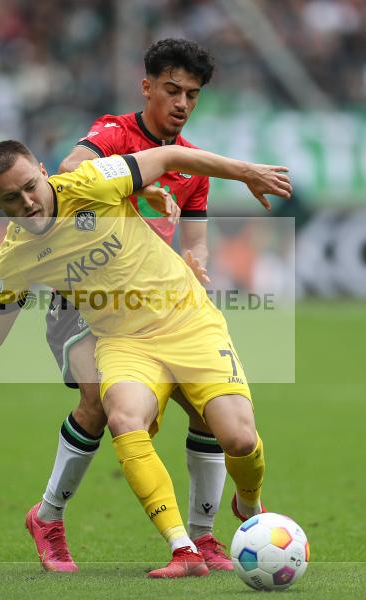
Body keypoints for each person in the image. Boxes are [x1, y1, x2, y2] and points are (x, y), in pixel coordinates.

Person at [0, 140, 292, 578]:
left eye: (30, 187)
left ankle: (246, 505)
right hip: (122, 341)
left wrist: (246, 171)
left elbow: (171, 158)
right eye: (10, 198)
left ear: (43, 172)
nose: (27, 202)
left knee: (239, 439)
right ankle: (184, 550)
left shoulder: (92, 182)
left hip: (188, 321)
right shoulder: (13, 259)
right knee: (117, 414)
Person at [28, 38, 232, 573]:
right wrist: (134, 193)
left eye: (192, 94)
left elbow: (195, 238)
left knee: (206, 405)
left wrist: (197, 262)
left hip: (153, 305)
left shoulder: (192, 167)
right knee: (99, 405)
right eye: (172, 90)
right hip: (83, 301)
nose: (182, 102)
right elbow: (69, 175)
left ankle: (205, 538)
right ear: (147, 87)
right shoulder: (112, 134)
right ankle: (47, 517)